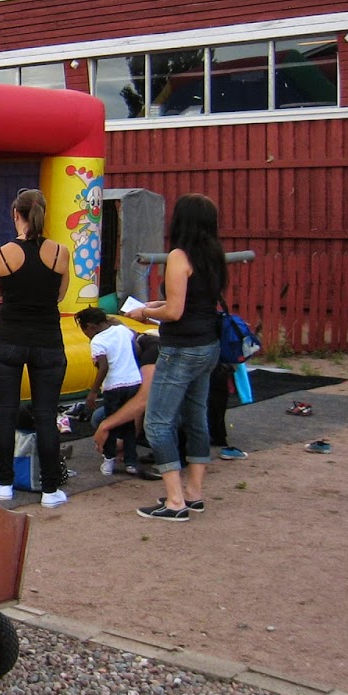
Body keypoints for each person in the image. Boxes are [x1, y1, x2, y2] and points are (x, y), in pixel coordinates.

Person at [124, 193, 228, 522]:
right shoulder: (214, 255)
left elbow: (175, 311)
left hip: (181, 348)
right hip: (207, 345)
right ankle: (194, 493)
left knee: (157, 423)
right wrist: (157, 306)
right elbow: (193, 302)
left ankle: (174, 501)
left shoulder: (178, 256)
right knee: (196, 418)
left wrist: (144, 312)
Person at [0, 188, 71, 507]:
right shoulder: (61, 252)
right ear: (43, 214)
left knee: (5, 412)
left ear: (15, 214)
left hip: (8, 338)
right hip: (47, 340)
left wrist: (9, 298)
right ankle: (50, 490)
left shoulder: (1, 254)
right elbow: (59, 295)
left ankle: (4, 484)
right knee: (46, 415)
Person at [74, 307, 144, 476]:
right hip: (133, 381)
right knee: (128, 423)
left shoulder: (97, 341)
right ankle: (131, 461)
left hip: (114, 385)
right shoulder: (122, 330)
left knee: (112, 423)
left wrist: (93, 392)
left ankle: (109, 459)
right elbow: (137, 348)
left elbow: (103, 367)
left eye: (85, 331)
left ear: (90, 326)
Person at [92, 329, 163, 479]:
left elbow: (141, 402)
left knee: (114, 421)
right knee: (114, 420)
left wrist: (106, 426)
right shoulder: (126, 347)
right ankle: (130, 460)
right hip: (132, 393)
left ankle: (167, 457)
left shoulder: (151, 351)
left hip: (160, 406)